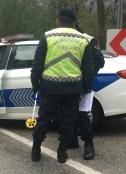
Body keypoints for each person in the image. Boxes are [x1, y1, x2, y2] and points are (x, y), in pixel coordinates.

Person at [30, 8, 94, 163]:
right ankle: (62, 153)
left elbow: (37, 64)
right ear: (74, 23)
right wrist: (85, 87)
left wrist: (35, 84)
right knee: (68, 120)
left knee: (44, 118)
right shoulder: (83, 40)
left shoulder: (47, 36)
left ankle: (36, 150)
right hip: (72, 88)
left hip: (50, 87)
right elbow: (88, 68)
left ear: (58, 21)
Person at [66, 22, 105, 160]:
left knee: (83, 114)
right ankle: (72, 140)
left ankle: (89, 144)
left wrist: (86, 76)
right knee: (68, 114)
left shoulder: (88, 39)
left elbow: (100, 61)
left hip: (83, 83)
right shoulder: (64, 38)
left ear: (73, 25)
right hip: (68, 83)